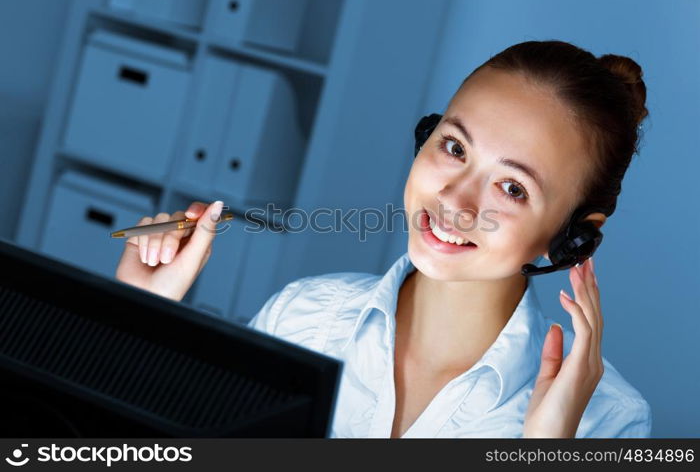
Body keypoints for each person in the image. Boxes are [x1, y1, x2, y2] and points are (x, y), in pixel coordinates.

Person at [115, 40, 652, 438]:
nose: (455, 200)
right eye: (455, 148)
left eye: (512, 187)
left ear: (573, 237)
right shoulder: (303, 318)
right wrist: (142, 315)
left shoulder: (607, 420)